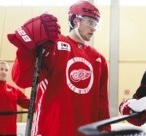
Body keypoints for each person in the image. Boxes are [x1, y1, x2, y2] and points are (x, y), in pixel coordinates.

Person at [7, 0, 111, 135]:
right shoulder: (53, 44)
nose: (94, 28)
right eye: (90, 22)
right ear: (75, 20)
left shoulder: (99, 59)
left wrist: (105, 130)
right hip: (50, 129)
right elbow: (21, 79)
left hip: (85, 132)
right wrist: (27, 50)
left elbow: (102, 103)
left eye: (96, 24)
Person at [0, 61, 30, 135]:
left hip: (10, 131)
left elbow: (28, 103)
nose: (4, 72)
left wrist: (41, 104)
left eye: (6, 70)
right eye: (1, 69)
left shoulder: (14, 90)